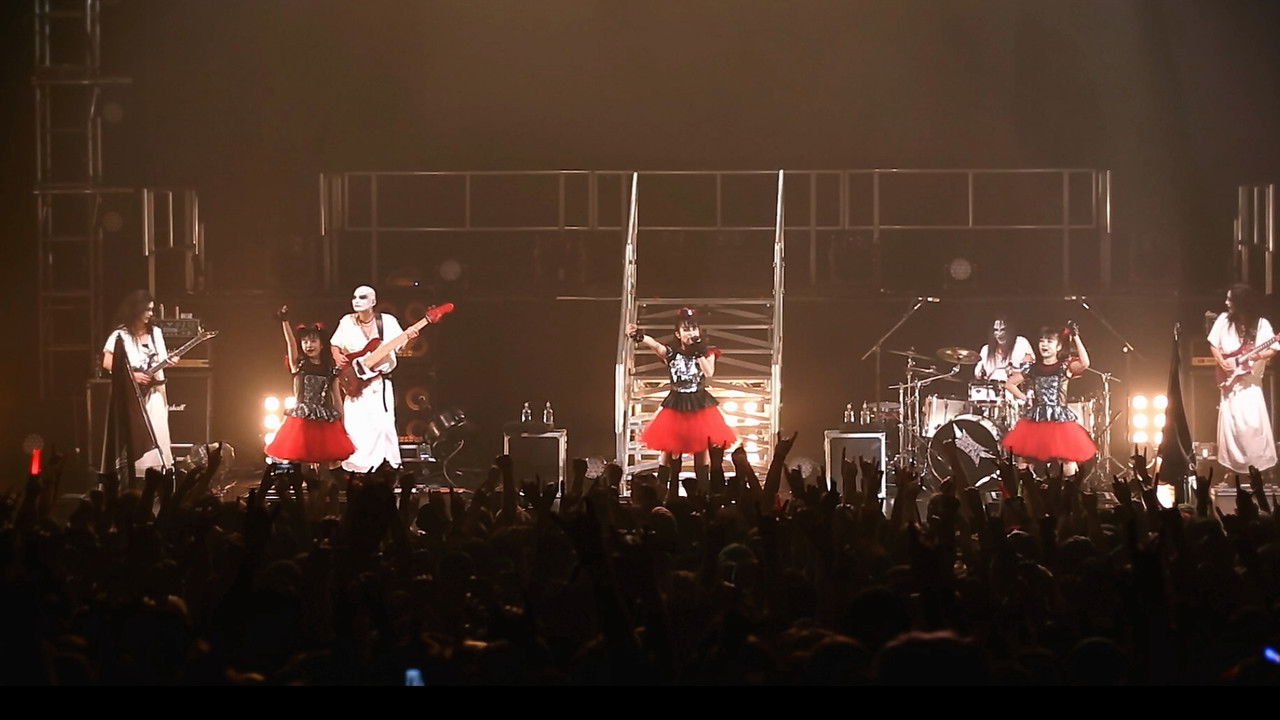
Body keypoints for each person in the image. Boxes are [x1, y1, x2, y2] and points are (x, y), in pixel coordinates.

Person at [627, 307, 736, 492]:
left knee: (701, 449)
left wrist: (698, 352)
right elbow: (656, 346)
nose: (691, 333)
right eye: (686, 330)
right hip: (676, 403)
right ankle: (663, 491)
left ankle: (703, 492)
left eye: (693, 329)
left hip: (699, 404)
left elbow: (709, 372)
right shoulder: (672, 353)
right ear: (678, 334)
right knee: (668, 451)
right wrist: (639, 336)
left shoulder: (707, 353)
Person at [329, 285, 418, 473]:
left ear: (373, 301)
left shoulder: (387, 322)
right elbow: (334, 344)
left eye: (362, 297)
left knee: (383, 425)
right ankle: (356, 470)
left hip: (379, 383)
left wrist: (411, 338)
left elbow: (402, 347)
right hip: (355, 383)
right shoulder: (346, 322)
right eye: (354, 297)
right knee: (356, 426)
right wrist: (337, 355)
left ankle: (387, 467)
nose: (356, 301)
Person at [1002, 322, 1096, 477]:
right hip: (1037, 419)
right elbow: (1009, 384)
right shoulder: (1033, 368)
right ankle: (1025, 490)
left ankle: (1069, 490)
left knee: (1067, 459)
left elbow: (1084, 363)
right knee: (1024, 460)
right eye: (1042, 341)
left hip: (1059, 420)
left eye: (1049, 341)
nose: (1044, 344)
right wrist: (1025, 398)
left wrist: (1076, 337)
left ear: (1058, 347)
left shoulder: (1064, 367)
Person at [265, 306, 355, 467]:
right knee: (301, 459)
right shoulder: (298, 365)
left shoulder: (330, 370)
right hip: (301, 420)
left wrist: (342, 425)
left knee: (326, 461)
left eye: (313, 341)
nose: (309, 345)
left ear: (322, 345)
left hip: (323, 419)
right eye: (305, 341)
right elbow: (291, 345)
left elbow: (336, 399)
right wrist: (285, 321)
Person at [101, 290, 175, 476]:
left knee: (157, 432)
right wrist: (132, 375)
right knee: (137, 433)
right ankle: (136, 475)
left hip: (155, 393)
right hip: (132, 394)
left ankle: (159, 473)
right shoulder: (120, 335)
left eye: (152, 310)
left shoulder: (156, 333)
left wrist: (171, 361)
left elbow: (162, 360)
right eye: (147, 309)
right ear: (136, 309)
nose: (150, 314)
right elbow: (107, 362)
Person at [1209, 283, 1278, 474]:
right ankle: (1232, 470)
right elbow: (1213, 344)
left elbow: (1273, 348)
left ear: (1241, 302)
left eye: (1230, 299)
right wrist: (1222, 363)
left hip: (1250, 384)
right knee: (1232, 428)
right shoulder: (1223, 320)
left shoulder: (1261, 324)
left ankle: (1258, 470)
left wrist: (1259, 355)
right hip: (1230, 383)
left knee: (1253, 426)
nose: (1226, 302)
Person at [974, 316, 1034, 382]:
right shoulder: (985, 350)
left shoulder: (1021, 343)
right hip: (992, 386)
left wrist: (1014, 373)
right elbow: (978, 374)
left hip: (1015, 386)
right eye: (996, 330)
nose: (999, 334)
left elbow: (1028, 370)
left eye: (1003, 330)